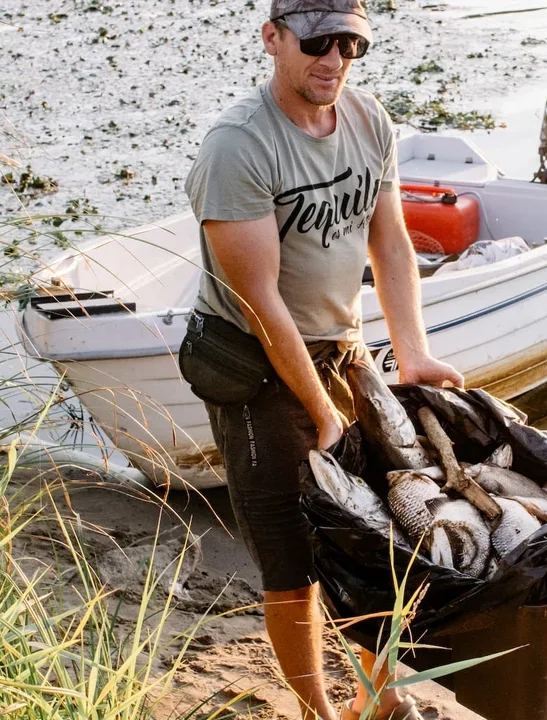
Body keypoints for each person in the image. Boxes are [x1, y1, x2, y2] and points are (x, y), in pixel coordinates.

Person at [182, 2, 462, 719]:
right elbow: (261, 303)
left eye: (350, 44)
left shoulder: (370, 122)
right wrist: (320, 415)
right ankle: (318, 712)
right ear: (273, 38)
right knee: (290, 562)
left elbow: (391, 244)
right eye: (316, 42)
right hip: (257, 362)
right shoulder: (239, 147)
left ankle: (383, 695)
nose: (333, 60)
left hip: (344, 347)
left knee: (377, 538)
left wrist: (413, 353)